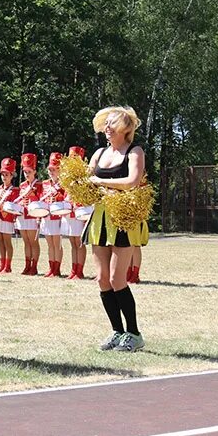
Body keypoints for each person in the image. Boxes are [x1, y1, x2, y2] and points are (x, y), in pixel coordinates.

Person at [85, 106, 149, 352]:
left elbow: (132, 180)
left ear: (125, 129)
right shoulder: (99, 153)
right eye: (106, 124)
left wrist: (100, 182)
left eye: (112, 124)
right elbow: (86, 182)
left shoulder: (135, 151)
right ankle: (117, 331)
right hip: (100, 220)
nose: (107, 128)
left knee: (117, 278)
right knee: (102, 279)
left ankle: (134, 333)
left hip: (123, 221)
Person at [38, 152, 66, 278]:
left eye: (53, 169)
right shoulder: (45, 183)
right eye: (49, 169)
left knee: (57, 243)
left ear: (59, 170)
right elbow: (41, 199)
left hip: (57, 216)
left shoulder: (64, 184)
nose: (51, 172)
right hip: (46, 216)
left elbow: (65, 199)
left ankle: (57, 268)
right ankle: (51, 267)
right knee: (49, 244)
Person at [63, 145, 89, 280]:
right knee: (72, 242)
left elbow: (88, 196)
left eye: (74, 158)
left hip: (80, 212)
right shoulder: (67, 176)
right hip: (69, 212)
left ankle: (80, 270)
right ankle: (73, 269)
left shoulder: (85, 176)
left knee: (79, 242)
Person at [15, 153, 42, 276]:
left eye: (29, 171)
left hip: (33, 215)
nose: (27, 174)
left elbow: (41, 200)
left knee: (33, 242)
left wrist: (32, 196)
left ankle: (34, 266)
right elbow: (19, 199)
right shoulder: (22, 185)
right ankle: (27, 265)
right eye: (25, 172)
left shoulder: (39, 185)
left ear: (34, 171)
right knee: (26, 242)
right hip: (23, 215)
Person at [0, 158, 18, 273]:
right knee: (0, 242)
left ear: (12, 176)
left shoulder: (15, 190)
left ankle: (8, 265)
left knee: (7, 242)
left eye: (7, 174)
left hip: (7, 218)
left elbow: (14, 205)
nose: (4, 177)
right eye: (2, 174)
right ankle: (1, 265)